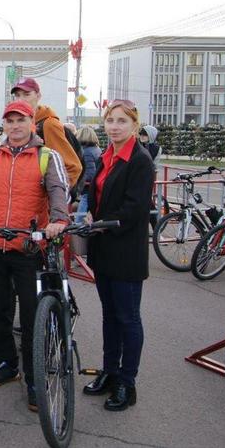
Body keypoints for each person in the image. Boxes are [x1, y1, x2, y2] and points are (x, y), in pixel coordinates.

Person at [0, 100, 69, 412]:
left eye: (20, 120)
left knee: (30, 316)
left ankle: (34, 378)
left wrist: (58, 221)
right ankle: (7, 364)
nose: (15, 126)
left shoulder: (46, 157)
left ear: (32, 124)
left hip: (29, 248)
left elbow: (58, 191)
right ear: (4, 125)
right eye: (9, 121)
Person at [83, 99, 154, 411]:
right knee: (109, 316)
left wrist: (102, 224)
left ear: (134, 125)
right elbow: (95, 191)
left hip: (125, 250)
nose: (114, 126)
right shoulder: (105, 156)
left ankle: (128, 381)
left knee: (128, 318)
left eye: (122, 121)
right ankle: (110, 372)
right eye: (110, 120)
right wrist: (86, 211)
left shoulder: (140, 160)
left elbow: (135, 208)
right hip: (104, 248)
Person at [11, 77, 83, 192]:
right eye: (17, 95)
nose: (21, 100)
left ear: (38, 96)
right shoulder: (22, 124)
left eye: (26, 94)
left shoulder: (49, 124)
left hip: (44, 203)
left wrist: (56, 197)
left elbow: (73, 167)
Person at [75, 126, 102, 223]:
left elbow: (89, 173)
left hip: (87, 187)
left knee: (82, 209)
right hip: (94, 185)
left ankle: (78, 227)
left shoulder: (85, 152)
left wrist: (79, 181)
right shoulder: (96, 149)